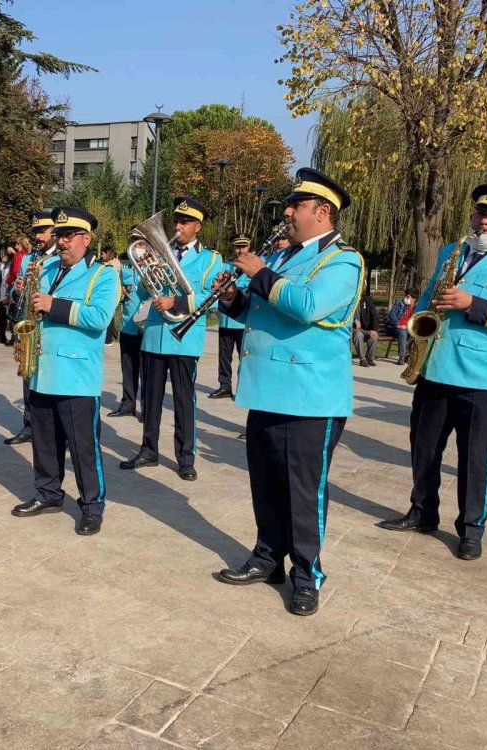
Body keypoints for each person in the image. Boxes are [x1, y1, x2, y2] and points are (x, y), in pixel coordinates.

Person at [212, 168, 363, 616]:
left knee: (303, 490)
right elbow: (261, 311)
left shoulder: (343, 260)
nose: (288, 214)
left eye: (296, 206)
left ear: (322, 211)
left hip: (311, 396)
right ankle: (267, 557)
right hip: (267, 388)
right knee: (266, 483)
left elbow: (308, 307)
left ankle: (307, 574)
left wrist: (260, 273)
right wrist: (232, 299)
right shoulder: (282, 257)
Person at [377, 183, 487, 561]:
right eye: (481, 212)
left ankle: (471, 528)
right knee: (424, 449)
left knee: (474, 459)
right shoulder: (452, 251)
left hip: (479, 378)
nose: (485, 221)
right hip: (435, 368)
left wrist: (472, 303)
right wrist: (418, 325)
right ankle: (422, 512)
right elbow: (429, 295)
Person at [10, 206, 120, 536]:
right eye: (59, 235)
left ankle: (92, 506)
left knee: (84, 447)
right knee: (44, 442)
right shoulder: (44, 267)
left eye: (69, 236)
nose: (61, 242)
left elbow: (99, 318)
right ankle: (48, 494)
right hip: (42, 370)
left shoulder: (102, 275)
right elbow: (28, 308)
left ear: (86, 238)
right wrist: (21, 293)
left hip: (76, 377)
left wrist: (52, 304)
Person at [120, 196, 224, 481]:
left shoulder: (211, 259)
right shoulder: (159, 252)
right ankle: (148, 450)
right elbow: (144, 292)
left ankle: (186, 457)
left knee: (183, 401)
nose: (178, 226)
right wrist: (145, 273)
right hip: (154, 335)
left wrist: (176, 302)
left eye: (185, 222)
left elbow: (213, 298)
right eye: (176, 221)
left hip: (185, 337)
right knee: (150, 398)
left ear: (198, 226)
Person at [5, 210, 57, 446]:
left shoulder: (61, 260)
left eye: (42, 231)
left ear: (54, 232)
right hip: (29, 324)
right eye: (35, 231)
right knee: (28, 375)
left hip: (50, 327)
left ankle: (54, 430)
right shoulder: (28, 259)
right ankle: (29, 425)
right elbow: (14, 292)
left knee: (51, 380)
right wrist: (16, 289)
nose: (37, 236)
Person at [209, 233, 252, 399]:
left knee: (244, 357)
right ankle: (224, 386)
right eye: (237, 247)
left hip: (242, 322)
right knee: (224, 357)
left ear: (249, 246)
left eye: (244, 246)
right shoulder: (226, 266)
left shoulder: (252, 267)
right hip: (226, 321)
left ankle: (243, 388)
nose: (240, 250)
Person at [108, 257, 144, 419]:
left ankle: (147, 408)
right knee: (128, 368)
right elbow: (119, 295)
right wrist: (121, 294)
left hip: (147, 326)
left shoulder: (157, 267)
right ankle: (128, 404)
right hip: (128, 325)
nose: (139, 249)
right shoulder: (126, 269)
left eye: (142, 245)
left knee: (147, 371)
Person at [100, 245, 122, 345]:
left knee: (106, 315)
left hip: (109, 292)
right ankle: (108, 339)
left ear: (107, 253)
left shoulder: (110, 265)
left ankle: (107, 339)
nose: (101, 256)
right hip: (114, 292)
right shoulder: (117, 263)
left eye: (102, 254)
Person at [387, 290, 417, 365]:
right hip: (395, 328)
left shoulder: (417, 308)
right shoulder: (399, 303)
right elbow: (391, 314)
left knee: (418, 334)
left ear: (414, 299)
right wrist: (398, 325)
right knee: (402, 332)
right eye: (405, 296)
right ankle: (402, 357)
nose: (405, 298)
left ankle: (413, 356)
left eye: (408, 297)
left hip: (409, 329)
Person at [351, 289, 379, 367]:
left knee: (374, 336)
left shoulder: (367, 300)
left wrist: (374, 329)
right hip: (353, 328)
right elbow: (345, 314)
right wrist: (354, 320)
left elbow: (374, 315)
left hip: (366, 329)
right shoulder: (349, 301)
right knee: (358, 335)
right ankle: (362, 359)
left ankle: (370, 359)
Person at [0, 245, 13, 344]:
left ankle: (13, 336)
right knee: (2, 313)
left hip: (9, 291)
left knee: (11, 315)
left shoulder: (14, 262)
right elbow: (1, 274)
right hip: (3, 291)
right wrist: (2, 263)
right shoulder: (6, 263)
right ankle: (2, 335)